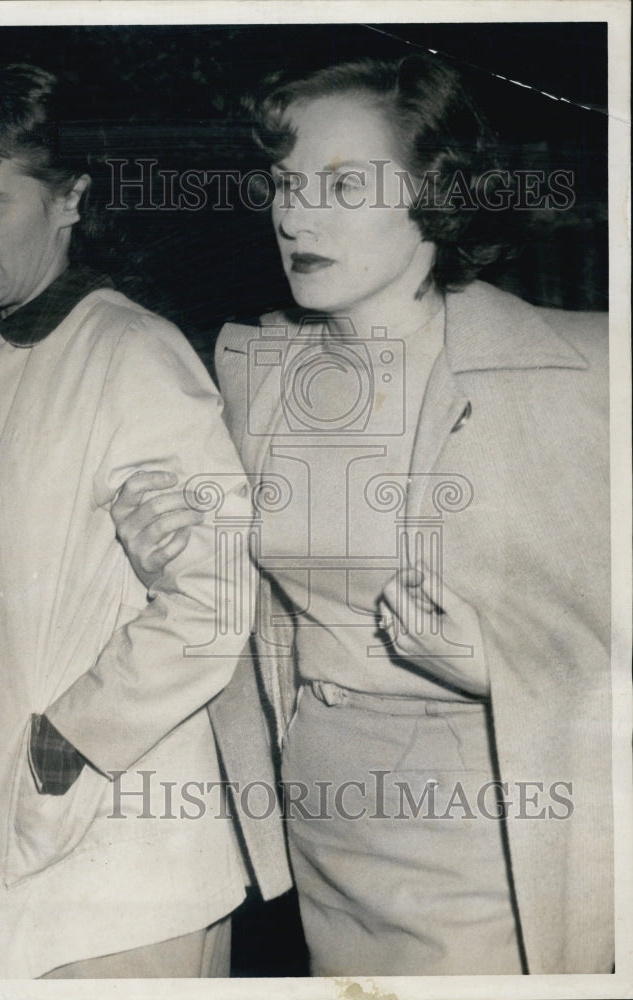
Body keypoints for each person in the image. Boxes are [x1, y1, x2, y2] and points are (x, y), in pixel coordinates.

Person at [110, 54, 613, 975]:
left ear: (435, 192)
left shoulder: (587, 375)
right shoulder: (254, 374)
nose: (295, 216)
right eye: (286, 183)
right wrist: (173, 560)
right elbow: (241, 600)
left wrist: (501, 670)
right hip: (324, 826)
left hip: (501, 835)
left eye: (341, 184)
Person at [0, 62, 291, 980]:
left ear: (71, 199)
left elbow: (214, 597)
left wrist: (71, 744)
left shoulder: (130, 353)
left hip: (104, 891)